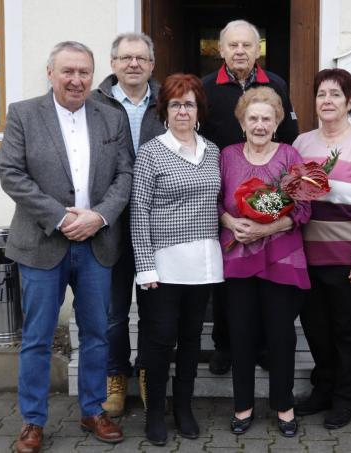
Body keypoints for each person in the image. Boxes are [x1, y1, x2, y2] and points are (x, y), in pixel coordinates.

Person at [0, 41, 132, 452]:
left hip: (97, 243)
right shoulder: (23, 113)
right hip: (42, 244)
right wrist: (61, 217)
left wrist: (99, 216)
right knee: (37, 337)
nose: (76, 80)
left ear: (94, 75)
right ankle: (33, 421)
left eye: (84, 72)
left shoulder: (112, 117)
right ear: (50, 73)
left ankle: (93, 409)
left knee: (96, 333)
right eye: (68, 71)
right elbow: (12, 174)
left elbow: (125, 173)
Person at [200, 19, 299, 375]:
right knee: (229, 283)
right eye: (233, 45)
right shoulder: (207, 87)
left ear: (257, 50)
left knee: (268, 278)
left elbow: (288, 136)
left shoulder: (276, 84)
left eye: (247, 45)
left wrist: (284, 193)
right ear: (222, 50)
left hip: (269, 190)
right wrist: (224, 212)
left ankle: (261, 347)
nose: (240, 51)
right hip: (225, 187)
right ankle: (225, 346)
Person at [130, 73, 223, 446]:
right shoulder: (152, 152)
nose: (183, 110)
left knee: (189, 340)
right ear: (164, 111)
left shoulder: (212, 150)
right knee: (159, 341)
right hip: (163, 265)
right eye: (175, 104)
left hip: (203, 263)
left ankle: (183, 408)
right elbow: (138, 210)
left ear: (199, 109)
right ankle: (155, 413)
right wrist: (144, 265)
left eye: (189, 103)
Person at [293, 68, 351, 429]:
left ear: (350, 102)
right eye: (321, 94)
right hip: (309, 259)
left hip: (350, 260)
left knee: (347, 333)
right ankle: (324, 389)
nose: (327, 101)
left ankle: (346, 399)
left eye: (335, 94)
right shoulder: (302, 145)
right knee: (316, 330)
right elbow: (295, 201)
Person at [218, 87, 311, 437]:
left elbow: (304, 208)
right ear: (242, 122)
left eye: (266, 118)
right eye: (253, 118)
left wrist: (267, 227)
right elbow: (213, 200)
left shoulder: (289, 155)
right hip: (237, 256)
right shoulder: (226, 156)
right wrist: (229, 222)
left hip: (281, 256)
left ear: (277, 123)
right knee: (241, 334)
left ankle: (283, 406)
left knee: (281, 335)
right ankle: (243, 406)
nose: (259, 124)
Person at [89, 31, 165, 418]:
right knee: (114, 311)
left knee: (154, 310)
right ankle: (115, 376)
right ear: (113, 63)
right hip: (109, 224)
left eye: (141, 58)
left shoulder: (168, 102)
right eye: (125, 58)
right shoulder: (93, 104)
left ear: (151, 65)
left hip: (157, 224)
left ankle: (150, 373)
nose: (133, 64)